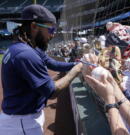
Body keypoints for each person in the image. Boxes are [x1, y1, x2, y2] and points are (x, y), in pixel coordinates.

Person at [0, 4, 82, 135]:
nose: (53, 34)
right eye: (50, 30)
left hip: (22, 117)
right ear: (34, 26)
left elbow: (53, 64)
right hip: (22, 122)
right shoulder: (26, 54)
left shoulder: (27, 47)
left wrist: (77, 63)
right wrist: (76, 70)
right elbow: (51, 92)